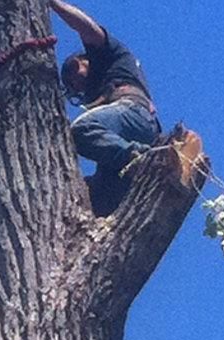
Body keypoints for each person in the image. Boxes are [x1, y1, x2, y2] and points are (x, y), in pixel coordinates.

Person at [49, 0, 161, 210]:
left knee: (82, 130)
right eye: (73, 86)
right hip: (126, 132)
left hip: (133, 113)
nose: (77, 84)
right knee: (99, 198)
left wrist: (53, 4)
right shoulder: (96, 95)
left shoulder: (109, 54)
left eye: (75, 73)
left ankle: (140, 159)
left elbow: (87, 28)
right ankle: (135, 167)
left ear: (84, 60)